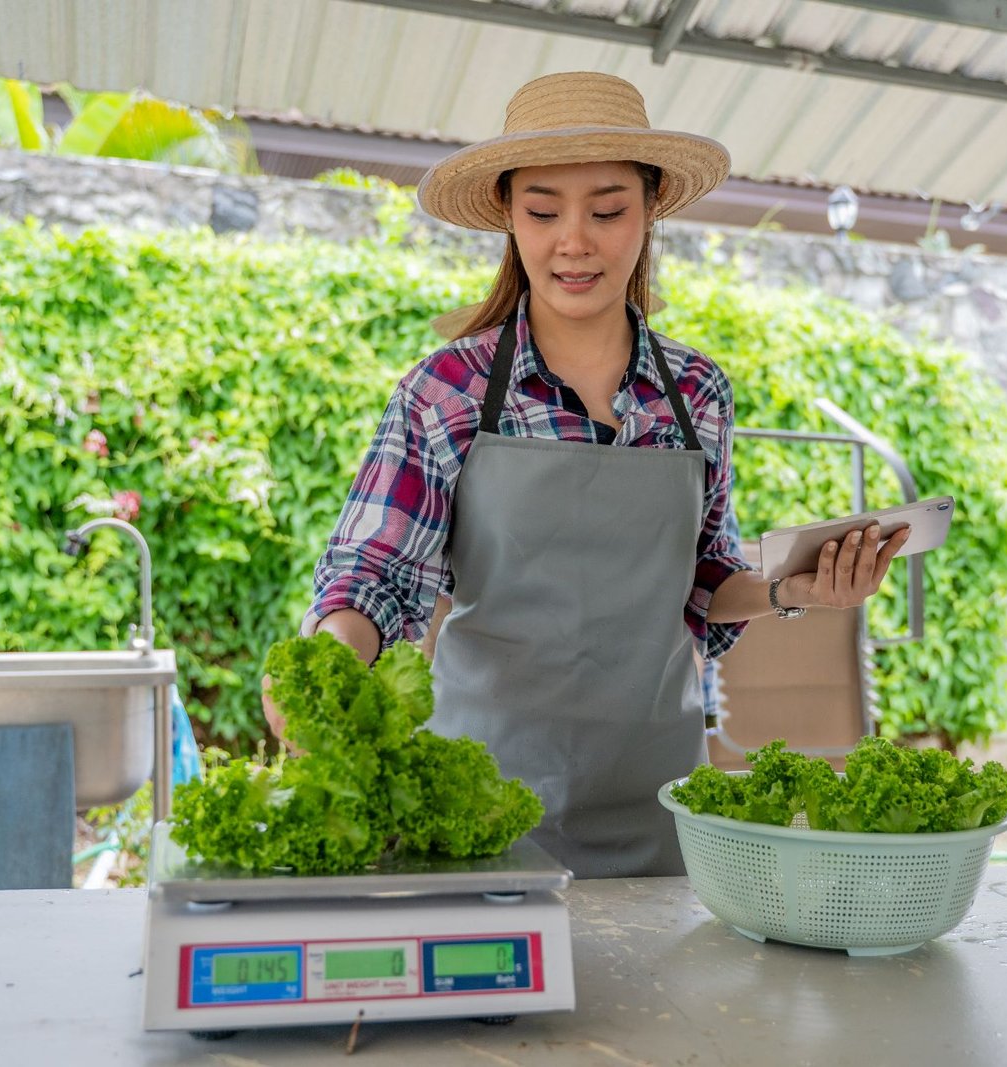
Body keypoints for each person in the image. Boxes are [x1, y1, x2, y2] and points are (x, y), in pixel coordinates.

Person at [268, 71, 910, 878]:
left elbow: (705, 580)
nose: (574, 241)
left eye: (607, 211)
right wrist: (328, 665)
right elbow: (374, 575)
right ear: (509, 215)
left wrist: (793, 589)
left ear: (650, 210)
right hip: (477, 809)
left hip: (660, 806)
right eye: (543, 212)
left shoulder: (697, 393)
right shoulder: (447, 390)